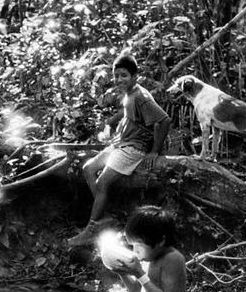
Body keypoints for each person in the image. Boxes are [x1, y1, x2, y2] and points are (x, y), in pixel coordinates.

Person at [67, 54, 171, 247]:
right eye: (116, 76)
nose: (119, 80)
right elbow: (127, 112)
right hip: (120, 143)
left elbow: (164, 120)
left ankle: (91, 228)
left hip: (134, 147)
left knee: (102, 182)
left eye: (124, 75)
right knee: (88, 168)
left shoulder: (141, 97)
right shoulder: (130, 93)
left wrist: (154, 151)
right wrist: (109, 122)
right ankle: (104, 216)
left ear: (134, 77)